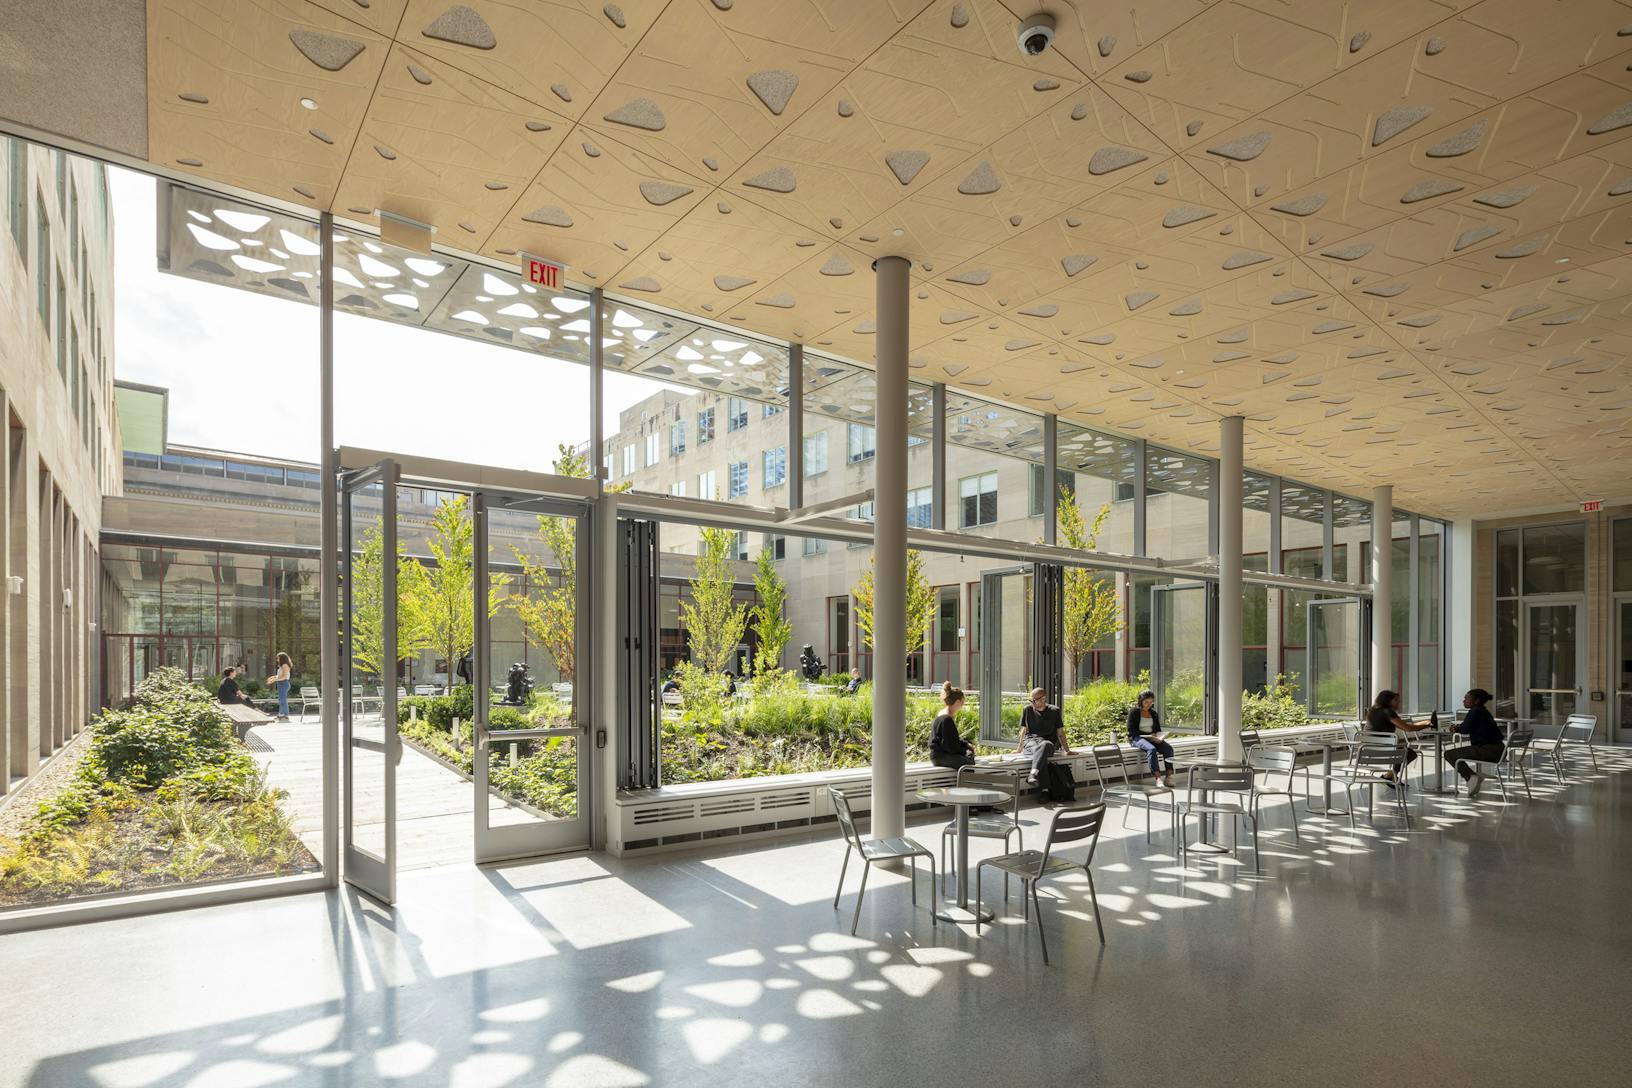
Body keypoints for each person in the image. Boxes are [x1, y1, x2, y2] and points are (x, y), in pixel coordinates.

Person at [1445, 688, 1504, 798]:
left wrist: (1456, 728)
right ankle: (1472, 777)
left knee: (1449, 754)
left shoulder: (1475, 712)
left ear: (1476, 701)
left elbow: (1464, 729)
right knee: (1454, 753)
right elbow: (1467, 727)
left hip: (1488, 750)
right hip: (1499, 750)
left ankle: (1471, 777)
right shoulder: (1483, 711)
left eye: (1467, 698)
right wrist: (1459, 727)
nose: (1464, 700)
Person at [1366, 689, 1428, 785]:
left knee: (1404, 751)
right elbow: (1408, 728)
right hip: (1382, 748)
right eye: (1396, 700)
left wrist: (1424, 723)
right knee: (1409, 753)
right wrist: (1426, 725)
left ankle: (1390, 776)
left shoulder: (1373, 711)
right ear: (1388, 701)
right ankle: (1389, 776)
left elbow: (1405, 726)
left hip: (1366, 748)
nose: (1398, 703)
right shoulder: (1388, 712)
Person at [1018, 687, 1071, 797]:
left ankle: (1036, 779)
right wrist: (1019, 749)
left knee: (1044, 745)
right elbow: (1024, 731)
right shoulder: (1027, 710)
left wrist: (1067, 750)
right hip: (1031, 742)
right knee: (1040, 754)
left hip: (1048, 743)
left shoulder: (1054, 711)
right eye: (1031, 700)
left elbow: (1060, 732)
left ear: (1043, 699)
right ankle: (1043, 788)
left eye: (1034, 700)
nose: (1032, 703)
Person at [1126, 689, 1174, 786]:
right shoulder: (1133, 712)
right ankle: (1158, 779)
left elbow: (1157, 729)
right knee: (1151, 749)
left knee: (1168, 749)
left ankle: (1169, 777)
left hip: (1151, 738)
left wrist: (1159, 736)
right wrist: (1147, 734)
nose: (1149, 704)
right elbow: (1131, 730)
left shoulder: (1153, 713)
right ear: (1141, 701)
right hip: (1137, 738)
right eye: (1146, 702)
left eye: (1151, 702)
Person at [929, 681, 976, 770]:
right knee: (970, 765)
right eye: (962, 703)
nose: (961, 707)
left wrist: (965, 745)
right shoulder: (946, 719)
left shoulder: (942, 715)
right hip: (941, 756)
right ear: (958, 702)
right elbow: (949, 745)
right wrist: (964, 751)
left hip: (938, 755)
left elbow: (949, 740)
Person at [265, 652, 292, 722]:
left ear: (282, 658)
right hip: (280, 683)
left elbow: (285, 677)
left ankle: (285, 715)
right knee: (281, 700)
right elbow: (279, 675)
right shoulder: (282, 666)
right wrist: (272, 678)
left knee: (283, 700)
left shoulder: (285, 665)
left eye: (278, 658)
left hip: (284, 683)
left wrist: (274, 680)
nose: (277, 659)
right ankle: (280, 714)